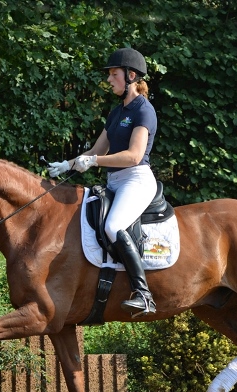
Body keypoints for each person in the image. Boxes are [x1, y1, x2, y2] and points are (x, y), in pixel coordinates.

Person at [47, 47, 158, 317]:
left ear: (131, 76)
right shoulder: (116, 112)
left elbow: (133, 156)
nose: (109, 80)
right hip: (115, 181)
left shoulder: (144, 110)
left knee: (113, 225)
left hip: (137, 180)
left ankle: (144, 295)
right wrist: (68, 164)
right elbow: (95, 150)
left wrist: (95, 161)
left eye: (113, 74)